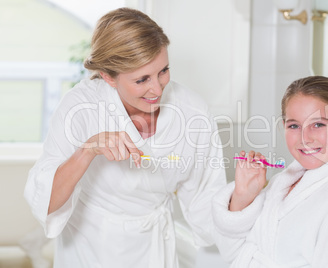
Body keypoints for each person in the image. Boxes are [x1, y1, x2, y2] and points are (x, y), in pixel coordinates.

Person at [24, 8, 226, 268]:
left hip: (155, 249)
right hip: (91, 248)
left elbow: (206, 201)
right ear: (108, 77)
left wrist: (243, 194)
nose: (157, 88)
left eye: (163, 71)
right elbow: (46, 202)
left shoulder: (191, 111)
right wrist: (87, 151)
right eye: (142, 80)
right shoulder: (81, 107)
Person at [212, 76, 328, 267]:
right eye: (294, 126)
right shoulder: (285, 183)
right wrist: (242, 196)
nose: (304, 138)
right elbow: (234, 255)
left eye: (318, 124)